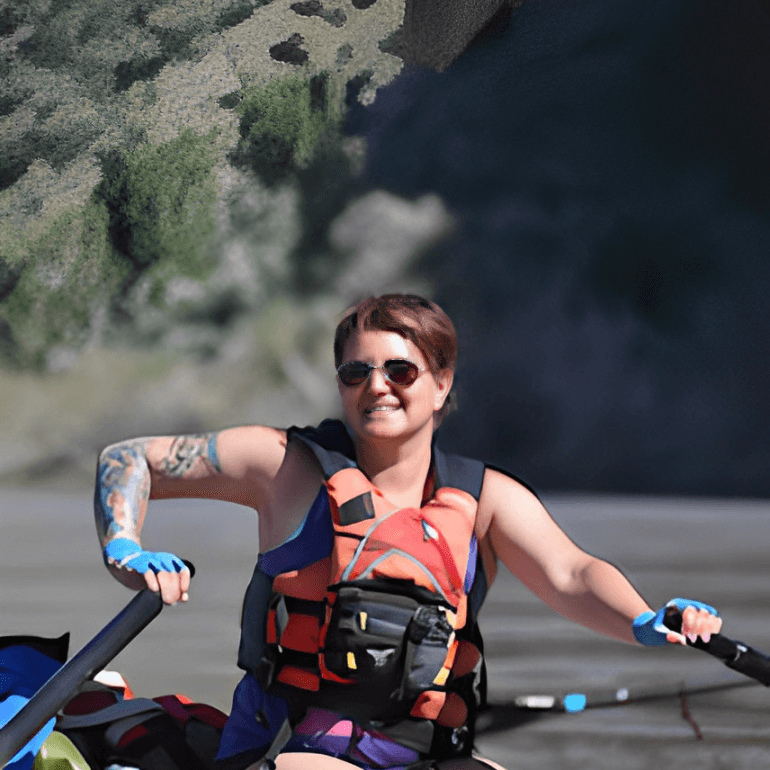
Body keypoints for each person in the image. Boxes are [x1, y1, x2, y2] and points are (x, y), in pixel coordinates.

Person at [93, 293, 722, 770]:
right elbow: (129, 459)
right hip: (299, 745)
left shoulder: (486, 500)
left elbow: (572, 573)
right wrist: (125, 549)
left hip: (431, 749)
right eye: (355, 372)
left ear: (441, 384)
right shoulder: (285, 467)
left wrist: (646, 619)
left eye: (401, 370)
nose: (376, 386)